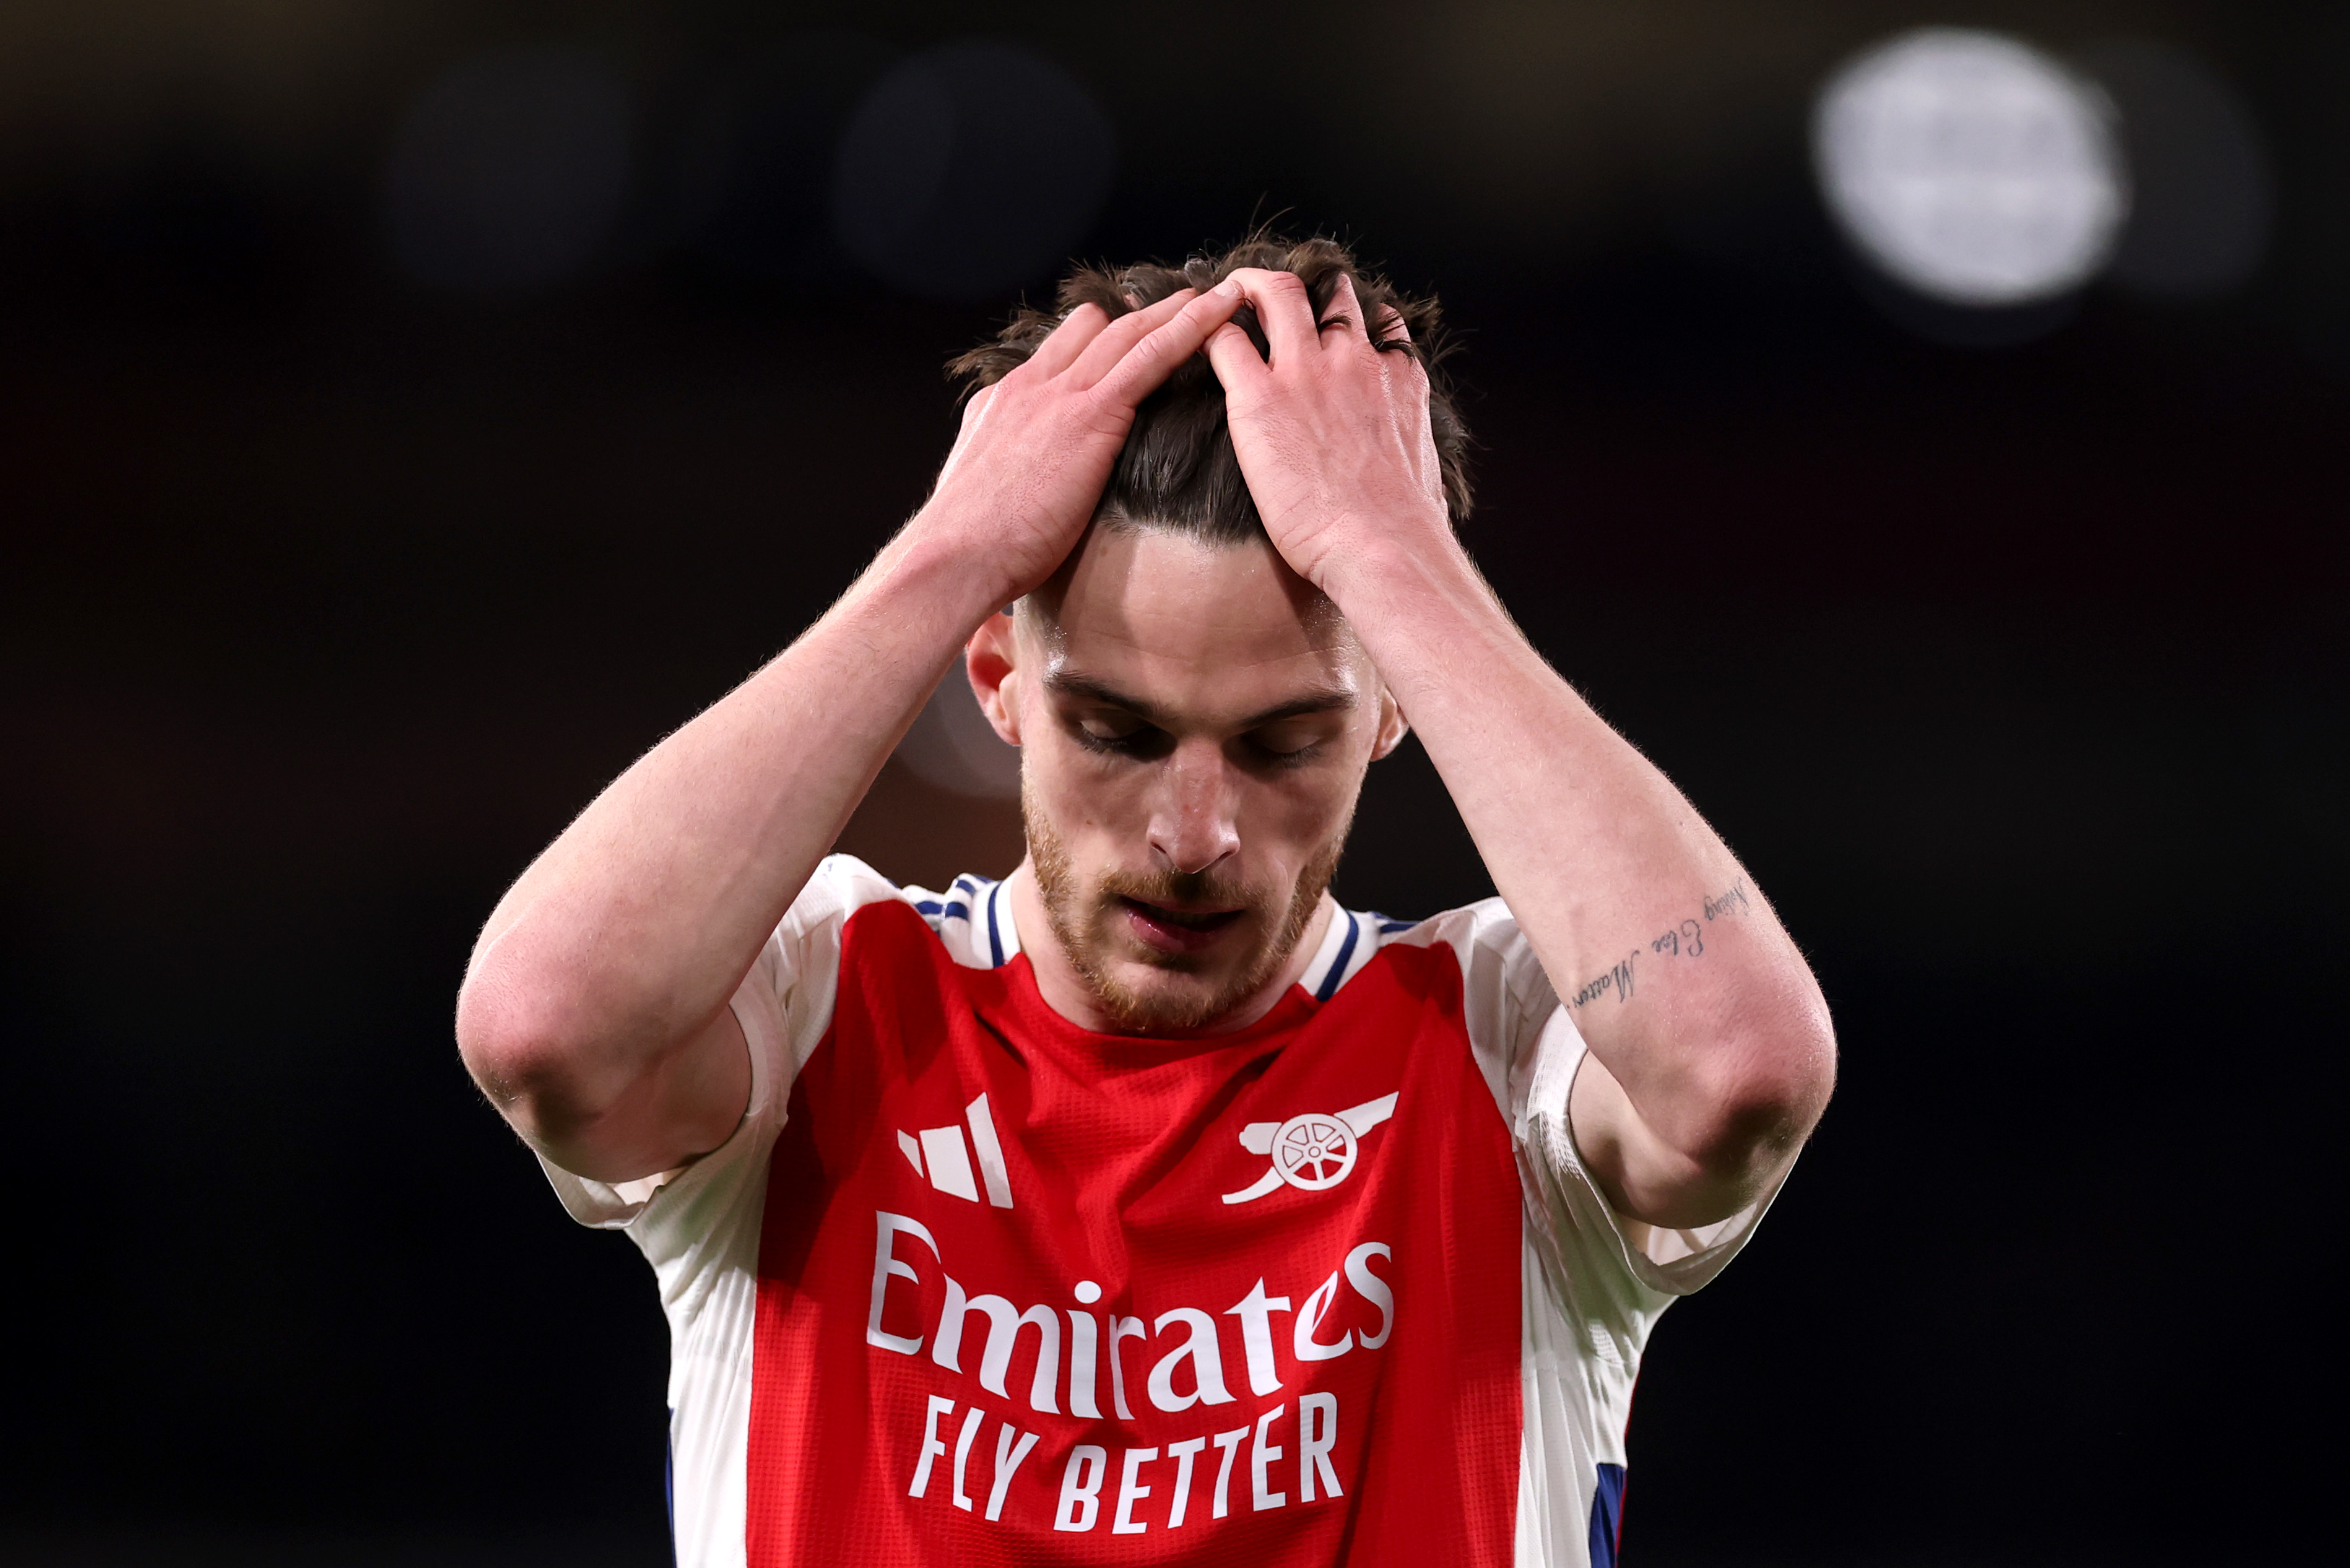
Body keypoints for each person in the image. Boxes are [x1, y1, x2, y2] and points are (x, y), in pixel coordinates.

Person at [455, 234, 1836, 1568]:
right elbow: (540, 1028)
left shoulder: (1500, 1047)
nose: (1194, 836)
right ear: (997, 679)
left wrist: (1391, 558)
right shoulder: (827, 997)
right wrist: (952, 551)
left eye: (1280, 742)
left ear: (1391, 707)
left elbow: (1740, 1067)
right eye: (1116, 731)